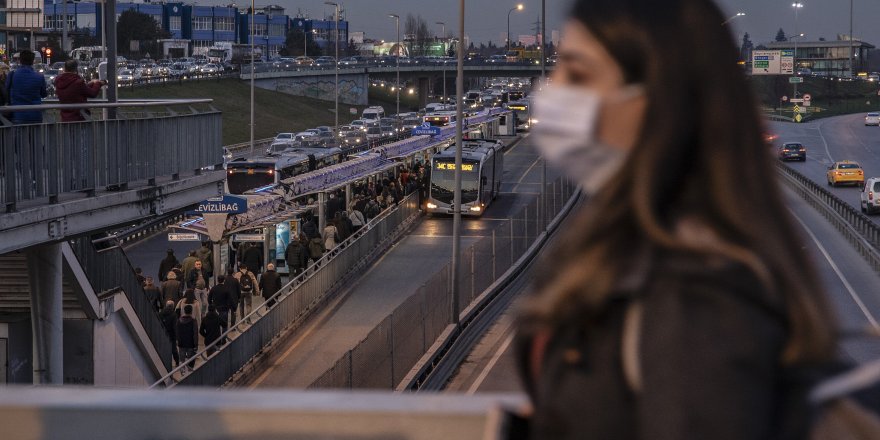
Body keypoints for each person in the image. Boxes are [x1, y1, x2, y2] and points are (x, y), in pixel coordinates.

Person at [514, 1, 837, 439]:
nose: (550, 92)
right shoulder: (621, 243)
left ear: (659, 101)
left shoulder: (698, 306)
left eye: (578, 75)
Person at [5, 50, 47, 124]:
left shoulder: (12, 75)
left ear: (20, 60)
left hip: (18, 114)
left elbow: (6, 91)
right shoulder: (39, 77)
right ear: (32, 61)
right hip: (35, 115)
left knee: (19, 135)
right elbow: (44, 94)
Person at [175, 304, 199, 372]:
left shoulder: (179, 321)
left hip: (181, 343)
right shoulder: (193, 321)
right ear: (191, 311)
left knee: (182, 360)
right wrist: (196, 344)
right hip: (190, 344)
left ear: (184, 311)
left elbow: (177, 332)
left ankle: (182, 373)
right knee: (191, 361)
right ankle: (189, 373)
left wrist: (178, 341)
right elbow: (195, 334)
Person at [158, 300, 179, 367]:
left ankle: (163, 362)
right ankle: (177, 362)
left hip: (163, 333)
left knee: (164, 349)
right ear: (173, 306)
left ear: (166, 306)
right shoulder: (174, 314)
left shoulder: (161, 313)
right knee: (173, 349)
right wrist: (177, 337)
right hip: (171, 335)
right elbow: (175, 326)